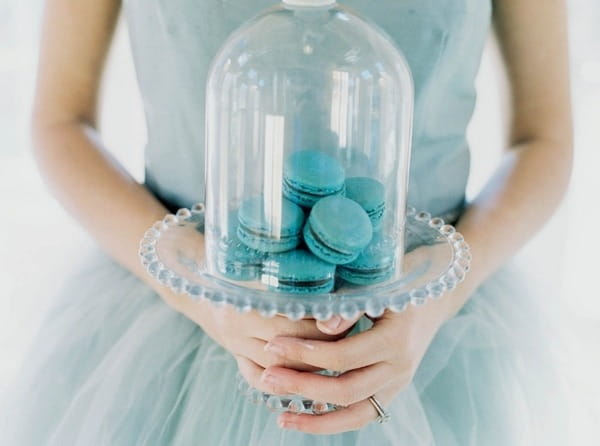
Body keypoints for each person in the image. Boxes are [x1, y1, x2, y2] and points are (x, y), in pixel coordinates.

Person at [0, 0, 573, 444]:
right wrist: (206, 298)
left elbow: (544, 138)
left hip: (427, 331)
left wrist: (436, 302)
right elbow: (60, 121)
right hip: (184, 316)